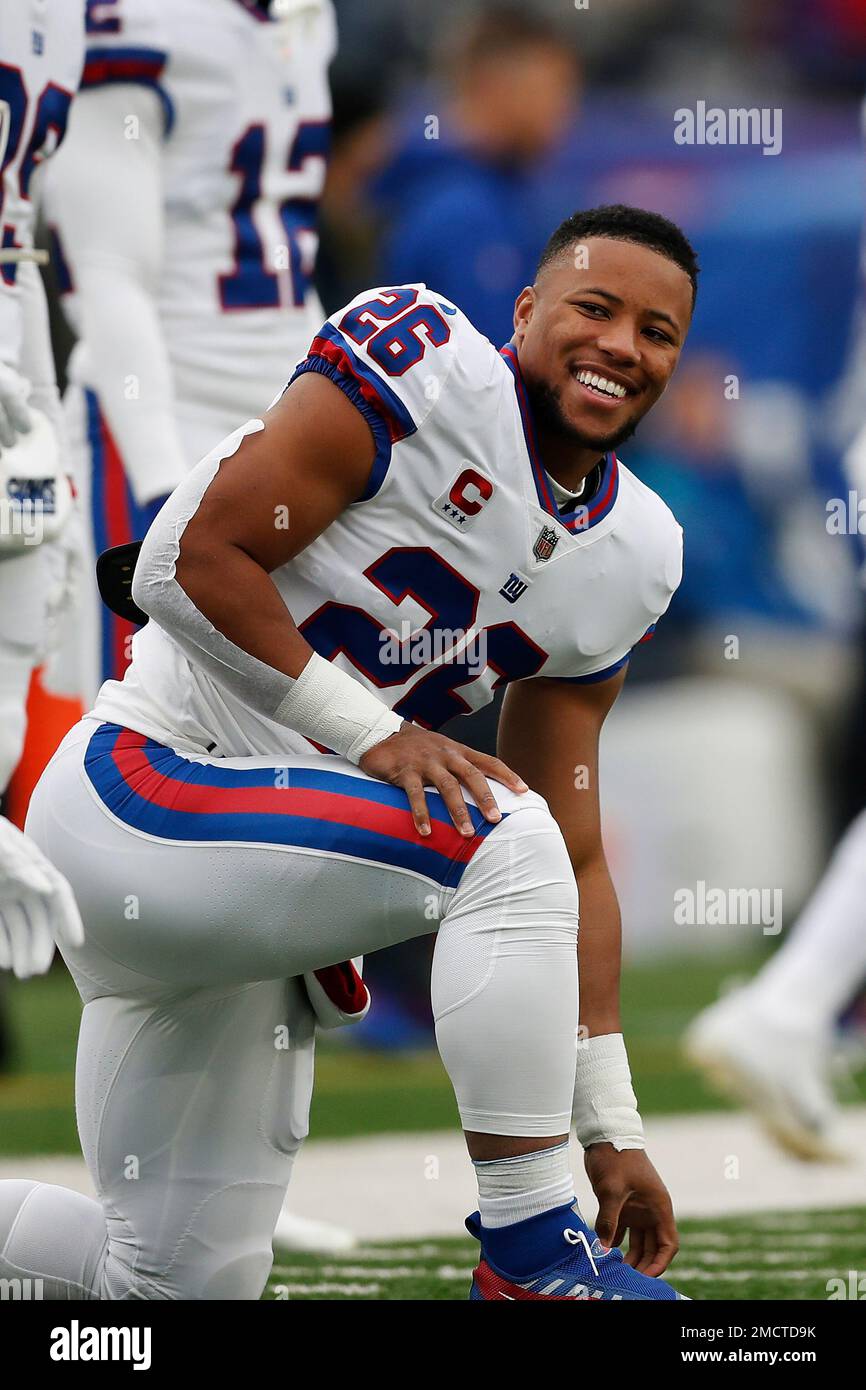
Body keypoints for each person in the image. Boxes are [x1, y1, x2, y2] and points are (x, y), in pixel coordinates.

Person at [1, 204, 696, 1301]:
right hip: (145, 789)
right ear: (525, 312)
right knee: (493, 832)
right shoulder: (424, 363)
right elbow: (180, 566)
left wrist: (606, 1120)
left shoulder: (634, 550)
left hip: (250, 906)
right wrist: (375, 733)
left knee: (167, 1287)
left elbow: (577, 849)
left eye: (656, 332)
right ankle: (531, 1257)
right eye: (594, 308)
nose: (621, 344)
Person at [0, 0, 85, 993]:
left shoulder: (61, 17)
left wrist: (51, 428)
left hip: (16, 411)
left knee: (10, 729)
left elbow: (18, 250)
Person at [373, 4, 579, 347]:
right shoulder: (461, 212)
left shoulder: (503, 195)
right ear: (495, 85)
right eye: (554, 90)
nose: (564, 112)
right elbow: (496, 365)